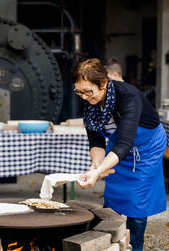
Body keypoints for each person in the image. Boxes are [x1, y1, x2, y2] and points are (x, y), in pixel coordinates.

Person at [72, 58, 167, 251]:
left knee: (137, 200)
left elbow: (125, 142)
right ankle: (110, 241)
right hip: (119, 146)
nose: (83, 97)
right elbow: (96, 140)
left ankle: (135, 246)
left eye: (87, 91)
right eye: (78, 91)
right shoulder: (90, 100)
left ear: (104, 83)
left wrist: (98, 171)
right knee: (113, 195)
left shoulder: (128, 96)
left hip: (146, 147)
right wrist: (97, 166)